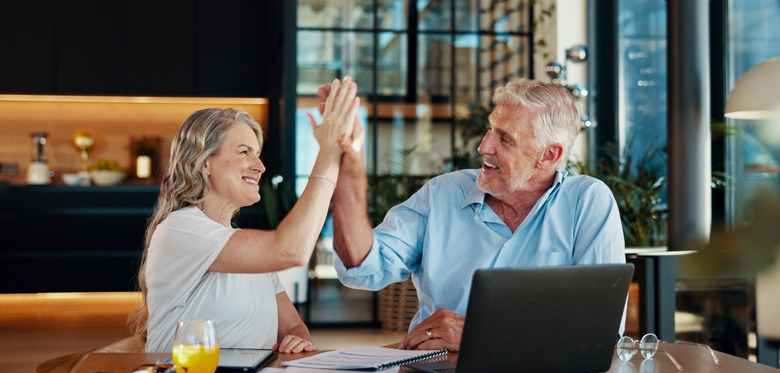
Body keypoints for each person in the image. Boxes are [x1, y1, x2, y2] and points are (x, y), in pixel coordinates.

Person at [327, 77, 626, 352]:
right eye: (490, 129)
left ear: (549, 155)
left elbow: (601, 327)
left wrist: (479, 333)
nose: (484, 146)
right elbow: (362, 267)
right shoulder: (443, 194)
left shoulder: (586, 201)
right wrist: (347, 171)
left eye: (505, 139)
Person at [129, 77, 362, 354]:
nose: (260, 166)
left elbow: (293, 327)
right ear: (205, 163)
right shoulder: (180, 229)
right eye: (244, 152)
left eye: (258, 154)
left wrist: (298, 338)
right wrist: (330, 150)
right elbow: (293, 250)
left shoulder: (245, 250)